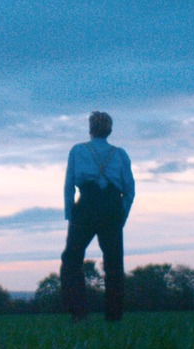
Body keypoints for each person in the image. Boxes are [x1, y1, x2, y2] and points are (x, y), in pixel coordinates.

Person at [60, 111, 135, 321]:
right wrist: (122, 215)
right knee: (114, 264)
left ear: (90, 129)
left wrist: (70, 214)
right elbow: (130, 190)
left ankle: (79, 313)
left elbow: (69, 185)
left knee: (72, 260)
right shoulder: (120, 154)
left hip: (86, 206)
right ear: (109, 130)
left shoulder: (77, 150)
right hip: (112, 207)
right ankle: (114, 317)